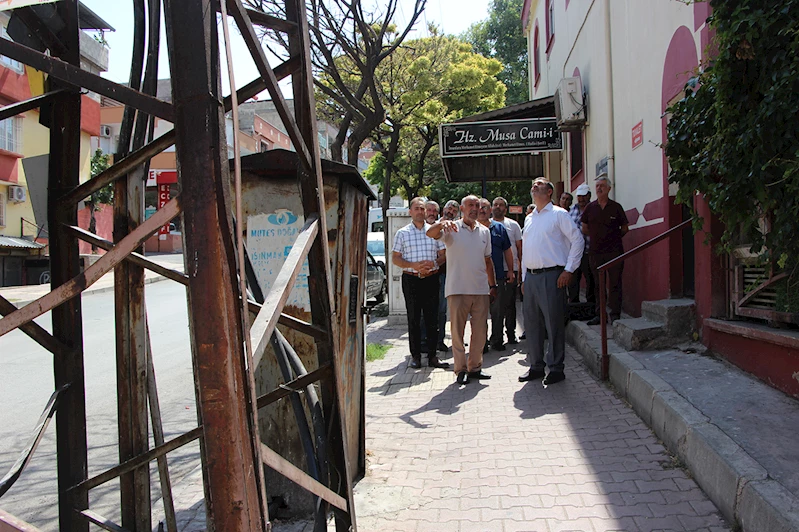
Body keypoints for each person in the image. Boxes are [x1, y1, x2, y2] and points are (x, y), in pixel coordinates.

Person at [519, 178, 584, 386]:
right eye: (533, 184)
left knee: (553, 323)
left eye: (539, 184)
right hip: (531, 277)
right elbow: (526, 250)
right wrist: (524, 277)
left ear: (549, 192)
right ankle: (536, 366)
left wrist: (569, 269)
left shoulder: (559, 214)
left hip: (552, 275)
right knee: (532, 324)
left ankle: (556, 368)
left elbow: (577, 240)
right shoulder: (529, 219)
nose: (534, 186)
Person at [427, 195, 496, 385]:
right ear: (462, 209)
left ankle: (475, 367)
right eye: (470, 205)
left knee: (480, 332)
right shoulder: (452, 228)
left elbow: (488, 260)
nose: (475, 209)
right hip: (457, 289)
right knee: (457, 333)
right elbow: (430, 233)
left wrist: (493, 285)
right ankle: (460, 369)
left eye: (477, 205)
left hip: (480, 289)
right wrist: (442, 224)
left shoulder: (484, 232)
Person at [391, 197, 449, 370]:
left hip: (431, 279)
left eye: (422, 208)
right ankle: (415, 356)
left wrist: (435, 263)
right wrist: (413, 265)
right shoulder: (402, 233)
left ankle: (432, 356)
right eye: (416, 208)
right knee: (414, 319)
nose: (420, 211)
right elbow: (395, 258)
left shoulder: (434, 232)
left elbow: (443, 255)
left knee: (432, 319)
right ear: (410, 212)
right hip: (411, 279)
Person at [581, 176, 629, 325]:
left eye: (602, 186)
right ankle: (600, 315)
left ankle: (615, 314)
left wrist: (612, 237)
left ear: (609, 188)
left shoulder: (616, 207)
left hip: (615, 251)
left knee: (615, 284)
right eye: (597, 186)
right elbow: (584, 228)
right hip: (595, 252)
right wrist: (598, 236)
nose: (599, 188)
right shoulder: (590, 208)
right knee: (598, 285)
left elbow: (625, 228)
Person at [477, 198, 514, 352]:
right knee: (479, 313)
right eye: (479, 207)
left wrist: (510, 270)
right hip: (477, 278)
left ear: (490, 210)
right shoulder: (471, 228)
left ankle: (497, 340)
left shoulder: (499, 228)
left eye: (485, 207)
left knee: (498, 311)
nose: (482, 210)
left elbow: (508, 251)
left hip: (498, 276)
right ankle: (481, 342)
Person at [491, 196, 523, 345]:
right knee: (495, 306)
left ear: (505, 208)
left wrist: (519, 269)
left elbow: (519, 248)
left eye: (501, 205)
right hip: (493, 272)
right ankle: (495, 336)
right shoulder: (486, 225)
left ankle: (511, 333)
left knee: (510, 303)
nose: (498, 207)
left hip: (510, 270)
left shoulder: (513, 225)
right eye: (495, 205)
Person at [420, 200, 449, 352]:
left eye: (434, 211)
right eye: (429, 210)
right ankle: (423, 341)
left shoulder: (440, 229)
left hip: (441, 274)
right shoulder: (418, 229)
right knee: (424, 310)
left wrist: (434, 263)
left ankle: (439, 340)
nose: (431, 213)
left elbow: (444, 254)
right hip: (422, 275)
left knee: (441, 310)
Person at [568, 184, 595, 305]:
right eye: (579, 196)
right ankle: (574, 306)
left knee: (591, 280)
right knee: (573, 281)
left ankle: (591, 306)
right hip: (575, 252)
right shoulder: (572, 211)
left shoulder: (594, 209)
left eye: (584, 196)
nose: (581, 199)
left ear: (589, 196)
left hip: (589, 251)